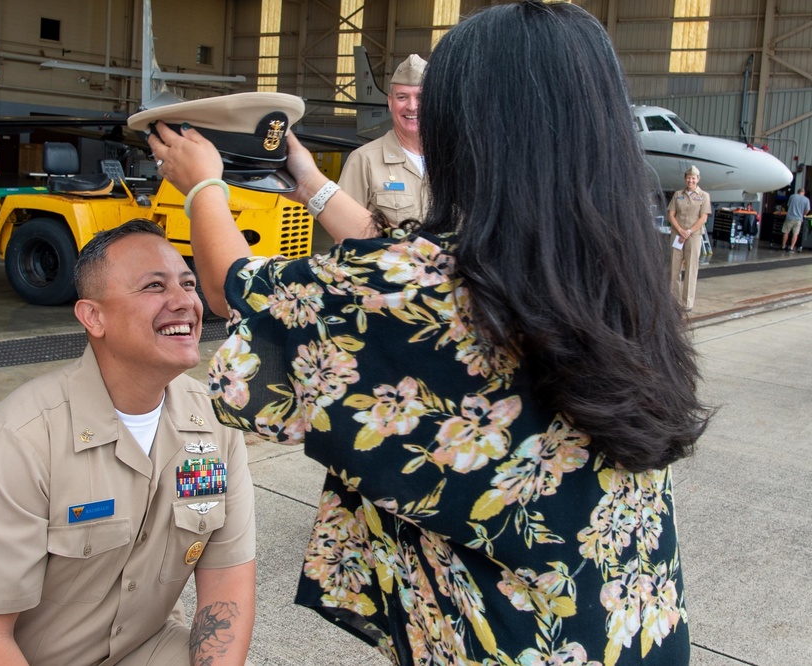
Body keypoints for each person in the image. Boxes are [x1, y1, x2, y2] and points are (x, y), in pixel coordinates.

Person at [145, 1, 709, 663]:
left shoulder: (440, 285)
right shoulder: (611, 271)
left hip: (513, 644)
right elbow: (400, 259)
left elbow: (240, 290)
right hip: (633, 631)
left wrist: (202, 184)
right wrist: (310, 179)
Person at [0, 219, 256, 665]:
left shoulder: (216, 424)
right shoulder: (18, 440)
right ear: (93, 316)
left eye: (187, 283)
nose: (184, 302)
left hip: (146, 648)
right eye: (154, 287)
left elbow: (227, 587)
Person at [337, 53, 428, 228]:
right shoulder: (364, 160)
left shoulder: (454, 161)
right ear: (390, 102)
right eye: (402, 97)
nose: (412, 106)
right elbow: (343, 232)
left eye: (421, 98)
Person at [668, 165, 712, 312]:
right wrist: (680, 230)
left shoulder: (704, 196)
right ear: (685, 179)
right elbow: (671, 215)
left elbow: (703, 218)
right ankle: (673, 300)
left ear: (698, 179)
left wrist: (688, 231)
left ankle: (687, 302)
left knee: (691, 269)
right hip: (677, 235)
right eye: (688, 178)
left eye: (693, 178)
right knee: (675, 268)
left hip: (693, 236)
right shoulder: (677, 194)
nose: (691, 181)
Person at [782, 187, 810, 251]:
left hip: (790, 217)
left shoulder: (792, 196)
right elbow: (807, 210)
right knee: (795, 233)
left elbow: (788, 205)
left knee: (786, 232)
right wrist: (803, 214)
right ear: (804, 192)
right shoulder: (806, 199)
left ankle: (783, 246)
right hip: (799, 219)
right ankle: (791, 247)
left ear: (798, 192)